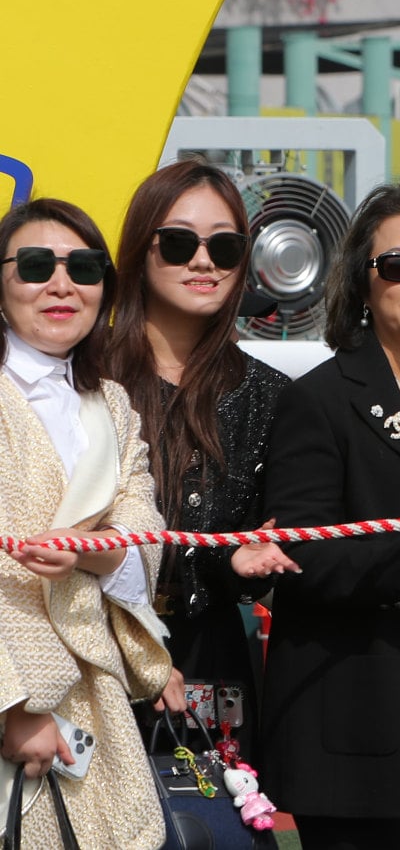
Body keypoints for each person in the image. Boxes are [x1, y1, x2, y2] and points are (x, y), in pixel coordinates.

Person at [259, 184, 400, 850]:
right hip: (357, 717)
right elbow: (299, 554)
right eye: (399, 266)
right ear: (363, 283)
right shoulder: (321, 400)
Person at [0, 198, 173, 849]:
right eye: (37, 265)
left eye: (85, 267)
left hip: (91, 692)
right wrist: (12, 707)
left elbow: (140, 524)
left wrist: (92, 553)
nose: (62, 284)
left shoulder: (112, 403)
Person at [106, 159, 293, 758]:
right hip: (91, 659)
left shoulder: (271, 395)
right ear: (140, 250)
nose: (203, 261)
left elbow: (274, 542)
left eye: (226, 246)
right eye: (180, 242)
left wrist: (240, 565)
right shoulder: (82, 378)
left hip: (215, 665)